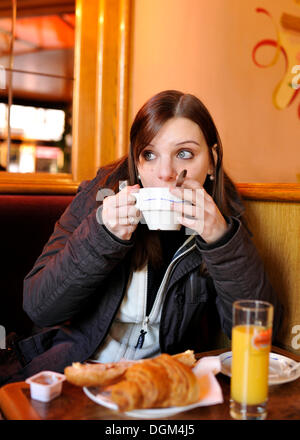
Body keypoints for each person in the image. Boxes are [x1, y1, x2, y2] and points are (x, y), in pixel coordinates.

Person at [5, 90, 282, 383]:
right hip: (72, 373)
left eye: (184, 153)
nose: (165, 172)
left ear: (212, 161)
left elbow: (260, 335)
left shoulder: (224, 219)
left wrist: (221, 241)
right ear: (137, 163)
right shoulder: (100, 197)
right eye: (149, 154)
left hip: (156, 383)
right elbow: (40, 308)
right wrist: (102, 234)